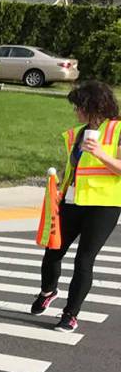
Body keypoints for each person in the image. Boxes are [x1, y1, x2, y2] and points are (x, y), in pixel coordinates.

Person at [32, 81, 121, 333]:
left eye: (78, 106)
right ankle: (48, 291)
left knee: (84, 260)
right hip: (72, 201)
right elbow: (74, 168)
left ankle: (70, 314)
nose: (75, 111)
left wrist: (101, 153)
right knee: (53, 252)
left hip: (104, 206)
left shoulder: (118, 130)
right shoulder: (78, 133)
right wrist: (58, 191)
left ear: (92, 105)